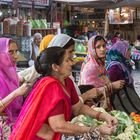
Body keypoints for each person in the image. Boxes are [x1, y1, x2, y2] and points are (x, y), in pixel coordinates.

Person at [10, 47, 118, 140]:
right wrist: (95, 130)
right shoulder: (51, 87)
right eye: (67, 60)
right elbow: (58, 125)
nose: (72, 62)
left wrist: (104, 116)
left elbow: (78, 108)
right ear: (55, 67)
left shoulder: (67, 81)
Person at [48, 33, 102, 103]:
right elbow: (70, 105)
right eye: (70, 51)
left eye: (73, 51)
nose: (73, 56)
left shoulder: (67, 77)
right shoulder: (52, 83)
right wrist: (87, 95)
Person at [79, 35, 125, 110]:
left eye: (104, 46)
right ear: (93, 49)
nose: (102, 49)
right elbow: (89, 94)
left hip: (102, 107)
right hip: (92, 109)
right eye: (98, 47)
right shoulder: (90, 68)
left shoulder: (99, 64)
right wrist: (112, 86)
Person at [0, 38, 31, 140]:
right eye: (10, 52)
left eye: (16, 51)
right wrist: (16, 93)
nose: (15, 56)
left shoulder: (11, 73)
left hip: (15, 120)